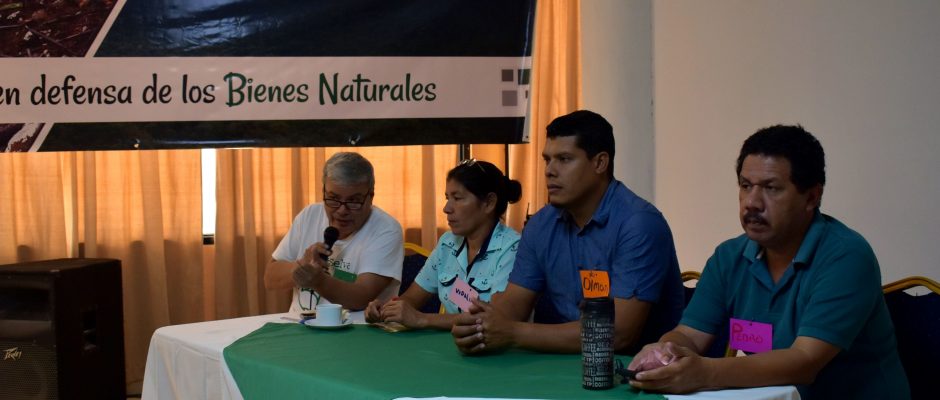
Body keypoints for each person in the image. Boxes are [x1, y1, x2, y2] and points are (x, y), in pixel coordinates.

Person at [628, 125, 910, 399]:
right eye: (745, 186)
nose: (752, 202)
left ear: (812, 197)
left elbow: (804, 362)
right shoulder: (729, 257)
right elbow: (689, 336)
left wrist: (705, 372)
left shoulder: (846, 257)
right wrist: (664, 351)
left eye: (771, 188)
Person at [451, 110, 685, 354]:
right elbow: (514, 304)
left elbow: (619, 334)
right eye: (547, 160)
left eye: (564, 159)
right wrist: (479, 325)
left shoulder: (639, 224)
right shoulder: (541, 224)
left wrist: (512, 333)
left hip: (637, 367)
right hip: (565, 362)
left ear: (600, 163)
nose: (549, 171)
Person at [365, 159, 523, 330]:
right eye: (447, 198)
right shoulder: (448, 243)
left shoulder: (512, 248)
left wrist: (422, 319)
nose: (446, 208)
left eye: (457, 198)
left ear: (489, 203)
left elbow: (494, 319)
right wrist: (386, 309)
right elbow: (412, 298)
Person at [265, 152, 403, 314]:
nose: (342, 210)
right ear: (324, 192)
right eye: (333, 199)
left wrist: (318, 280)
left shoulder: (386, 229)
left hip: (358, 326)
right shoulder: (309, 215)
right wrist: (301, 265)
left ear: (370, 197)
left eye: (353, 201)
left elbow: (362, 297)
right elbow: (270, 278)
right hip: (300, 323)